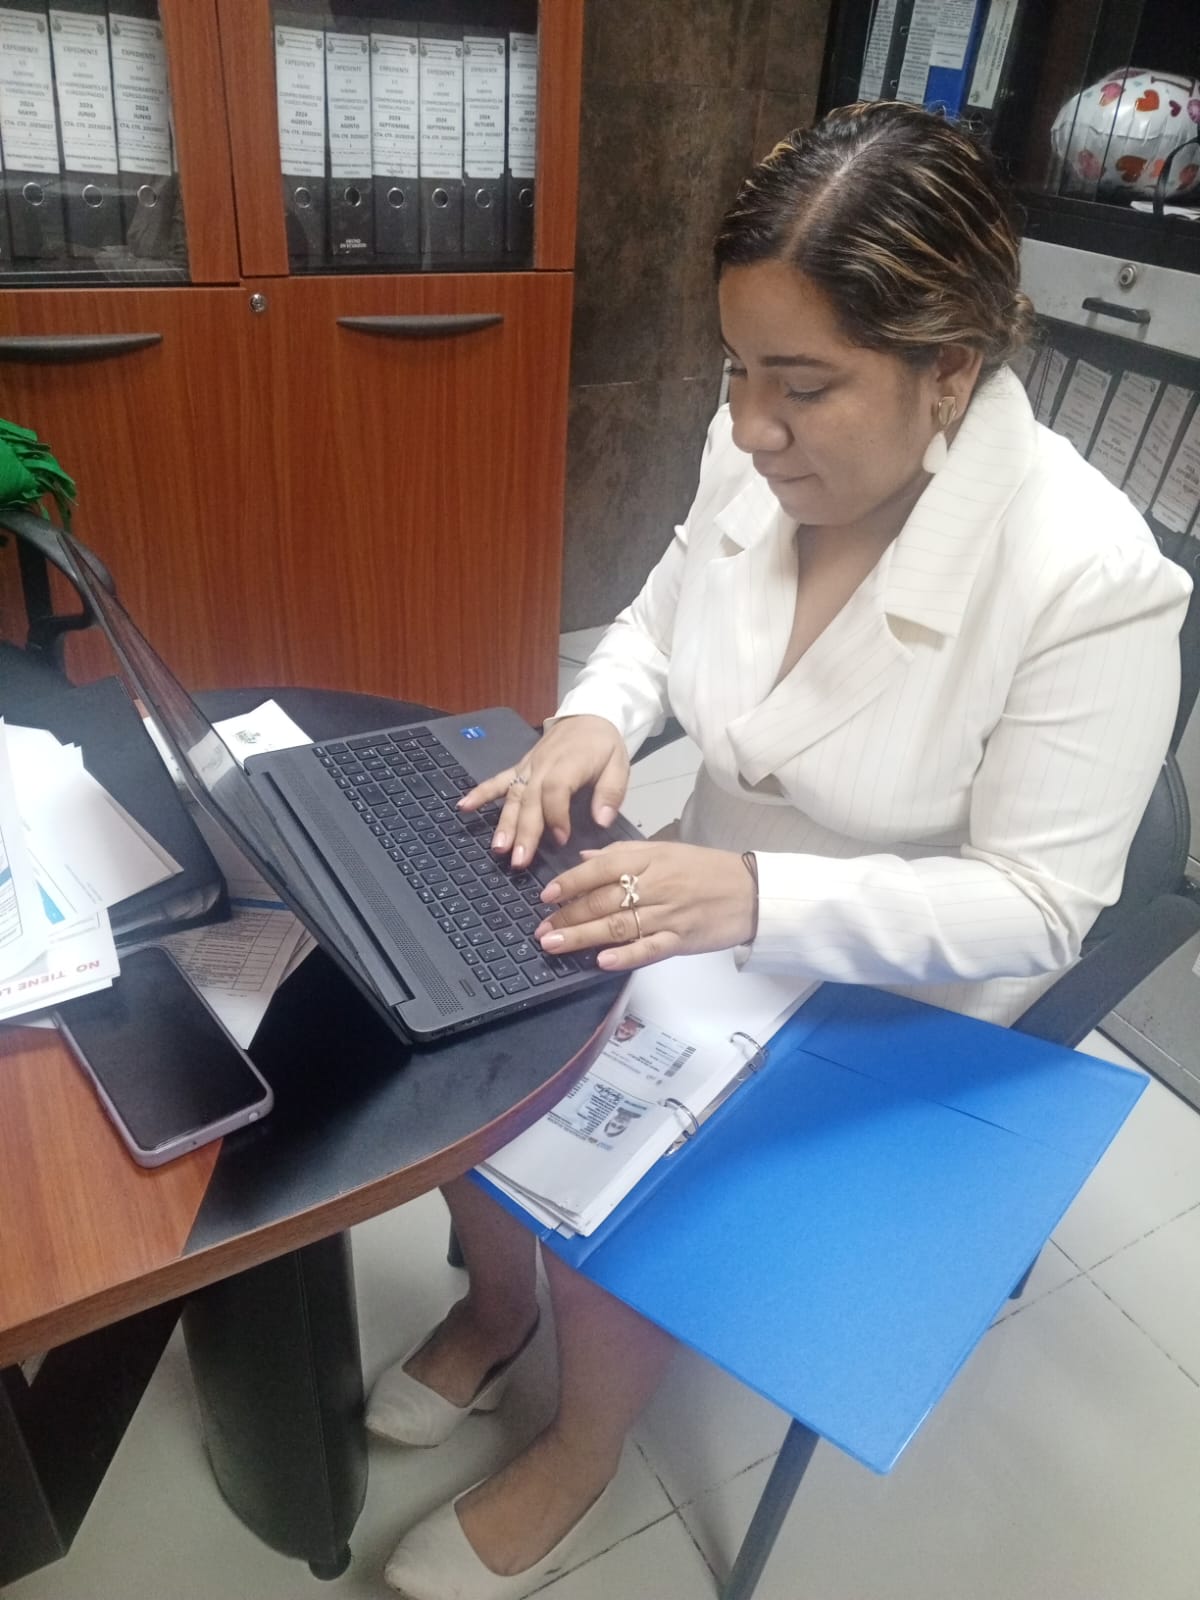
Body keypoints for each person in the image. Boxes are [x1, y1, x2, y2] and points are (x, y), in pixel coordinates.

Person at [372, 101, 1192, 1600]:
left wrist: (753, 894)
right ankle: (496, 1309)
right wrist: (594, 718)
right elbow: (661, 613)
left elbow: (1036, 907)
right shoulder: (753, 451)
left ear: (951, 369)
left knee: (620, 1154)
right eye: (737, 369)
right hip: (709, 901)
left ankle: (583, 1443)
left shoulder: (1090, 580)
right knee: (463, 1041)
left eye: (803, 386)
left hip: (894, 987)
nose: (752, 426)